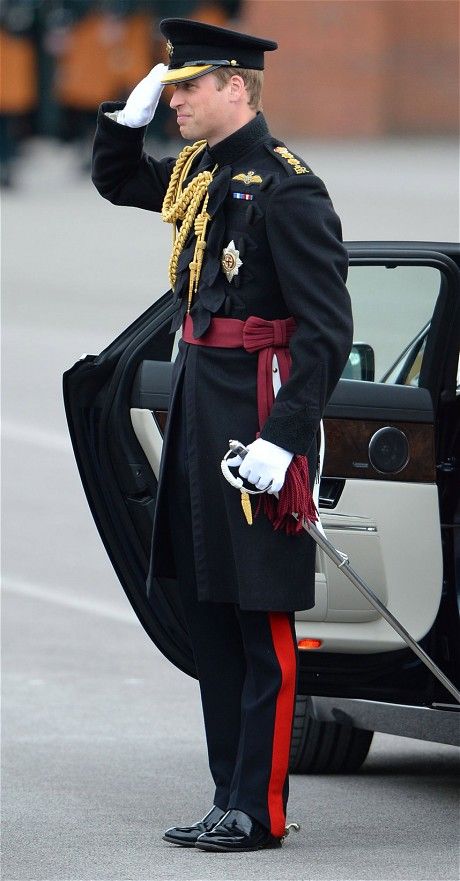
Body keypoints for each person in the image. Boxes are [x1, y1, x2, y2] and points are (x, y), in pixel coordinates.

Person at [92, 18, 353, 853]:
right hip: (203, 405)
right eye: (171, 90)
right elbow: (120, 183)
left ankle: (260, 807)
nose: (176, 102)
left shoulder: (289, 188)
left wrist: (285, 436)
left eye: (188, 87)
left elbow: (325, 331)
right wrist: (118, 123)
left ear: (236, 87)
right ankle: (225, 796)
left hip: (255, 411)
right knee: (208, 604)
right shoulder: (206, 172)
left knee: (259, 613)